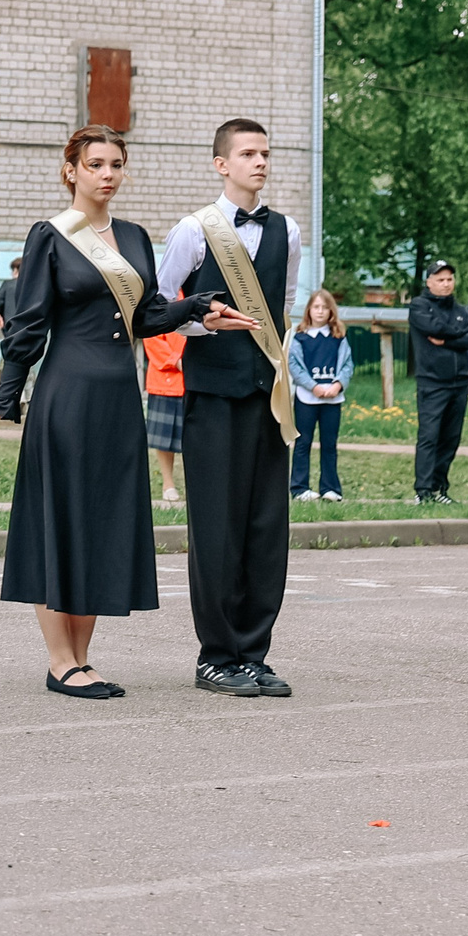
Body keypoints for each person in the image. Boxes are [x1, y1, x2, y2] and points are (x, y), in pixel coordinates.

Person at [0, 126, 247, 698]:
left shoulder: (136, 238)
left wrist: (200, 309)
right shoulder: (51, 236)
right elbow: (28, 325)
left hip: (118, 397)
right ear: (72, 171)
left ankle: (83, 657)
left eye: (116, 164)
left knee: (100, 521)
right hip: (67, 394)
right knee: (58, 519)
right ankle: (61, 660)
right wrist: (2, 399)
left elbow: (145, 316)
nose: (107, 174)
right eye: (95, 164)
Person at [158, 118, 305, 698]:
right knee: (217, 527)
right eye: (247, 154)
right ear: (221, 163)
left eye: (265, 153)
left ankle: (254, 652)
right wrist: (202, 321)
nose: (260, 162)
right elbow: (160, 306)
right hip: (213, 396)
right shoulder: (194, 230)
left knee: (266, 526)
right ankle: (216, 655)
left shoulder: (288, 231)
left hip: (266, 396)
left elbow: (285, 304)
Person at [409, 261, 468, 502]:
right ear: (429, 282)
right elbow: (431, 327)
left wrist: (448, 340)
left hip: (459, 383)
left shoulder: (460, 309)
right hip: (432, 383)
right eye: (440, 279)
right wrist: (459, 333)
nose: (446, 284)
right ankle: (423, 490)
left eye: (449, 279)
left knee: (450, 438)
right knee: (429, 436)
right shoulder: (419, 306)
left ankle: (440, 488)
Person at [286, 289, 351, 501]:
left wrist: (338, 385)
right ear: (309, 310)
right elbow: (294, 365)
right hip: (307, 398)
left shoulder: (338, 338)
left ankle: (330, 488)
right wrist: (313, 386)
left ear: (331, 311)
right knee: (303, 442)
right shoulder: (300, 337)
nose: (320, 311)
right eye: (316, 307)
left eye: (325, 307)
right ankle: (299, 487)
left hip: (332, 398)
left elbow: (347, 364)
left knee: (329, 444)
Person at [143, 332, 186, 503]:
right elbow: (151, 336)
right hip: (164, 379)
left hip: (197, 377)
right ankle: (168, 484)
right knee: (164, 439)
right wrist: (175, 360)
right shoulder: (157, 304)